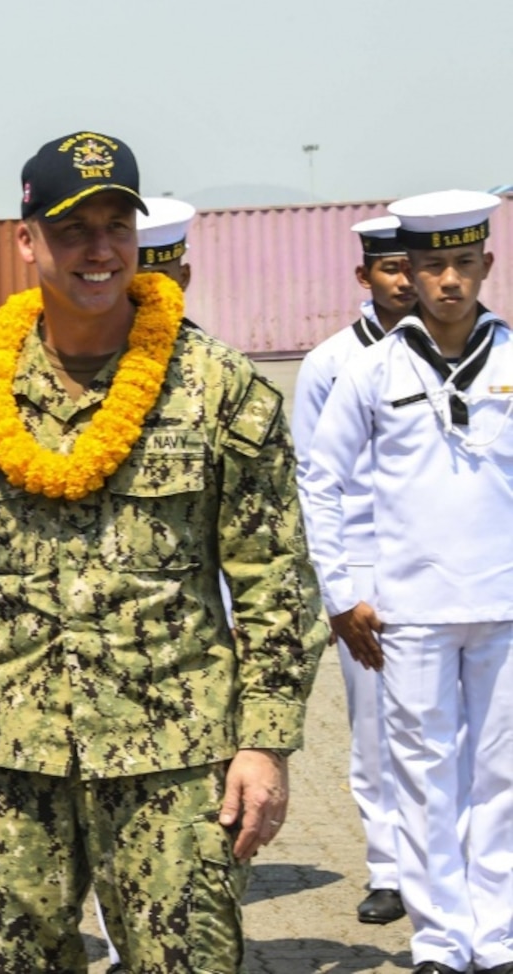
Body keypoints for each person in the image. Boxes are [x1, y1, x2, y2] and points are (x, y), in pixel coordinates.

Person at [0, 132, 327, 972]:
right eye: (74, 229)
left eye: (117, 225)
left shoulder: (219, 388)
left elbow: (275, 583)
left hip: (177, 759)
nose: (99, 251)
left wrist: (266, 744)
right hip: (11, 760)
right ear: (27, 240)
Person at [304, 190, 513, 974]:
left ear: (487, 265)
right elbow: (322, 482)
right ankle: (439, 941)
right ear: (408, 274)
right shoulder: (368, 370)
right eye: (432, 265)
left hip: (502, 601)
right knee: (425, 778)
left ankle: (495, 937)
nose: (449, 280)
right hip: (410, 608)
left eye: (463, 263)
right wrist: (339, 593)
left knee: (501, 777)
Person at [292, 215, 417, 927]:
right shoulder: (330, 361)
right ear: (363, 276)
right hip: (366, 560)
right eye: (389, 268)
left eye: (412, 265)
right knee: (375, 729)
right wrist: (334, 584)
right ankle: (388, 868)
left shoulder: (467, 350)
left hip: (448, 561)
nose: (404, 280)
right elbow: (316, 479)